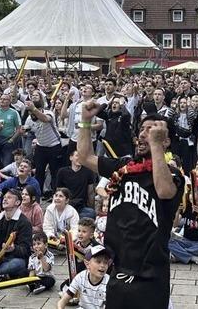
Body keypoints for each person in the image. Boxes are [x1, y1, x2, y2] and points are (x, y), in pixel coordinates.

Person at [76, 105, 184, 309]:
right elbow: (84, 157)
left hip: (150, 274)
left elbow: (163, 191)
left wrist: (156, 146)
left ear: (166, 140)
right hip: (118, 269)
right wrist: (85, 120)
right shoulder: (123, 168)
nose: (144, 134)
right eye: (142, 129)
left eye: (152, 130)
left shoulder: (173, 175)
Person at [168, 168, 198, 267]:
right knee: (168, 240)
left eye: (197, 193)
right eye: (192, 193)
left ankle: (180, 255)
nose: (193, 196)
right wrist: (177, 211)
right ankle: (194, 258)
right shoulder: (186, 207)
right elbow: (175, 224)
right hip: (186, 240)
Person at [25, 93, 63, 194]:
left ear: (40, 109)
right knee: (39, 172)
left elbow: (45, 119)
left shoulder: (49, 113)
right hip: (40, 147)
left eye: (33, 112)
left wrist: (34, 109)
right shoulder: (29, 119)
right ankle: (37, 195)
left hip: (54, 146)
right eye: (30, 113)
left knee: (55, 172)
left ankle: (56, 194)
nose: (32, 115)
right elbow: (25, 129)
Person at [57, 245, 111, 309]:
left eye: (105, 262)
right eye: (98, 261)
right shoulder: (80, 277)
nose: (102, 265)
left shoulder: (109, 283)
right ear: (87, 264)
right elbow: (62, 301)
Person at [56, 151, 97, 219]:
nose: (80, 158)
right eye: (77, 156)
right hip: (66, 205)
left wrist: (92, 208)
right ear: (71, 157)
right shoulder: (62, 172)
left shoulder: (88, 172)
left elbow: (91, 193)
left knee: (91, 213)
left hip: (81, 207)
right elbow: (58, 191)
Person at [0, 94, 21, 168]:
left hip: (7, 140)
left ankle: (5, 179)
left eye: (5, 99)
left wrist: (12, 139)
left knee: (6, 164)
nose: (2, 100)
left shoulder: (14, 113)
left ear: (9, 101)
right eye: (1, 99)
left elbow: (19, 129)